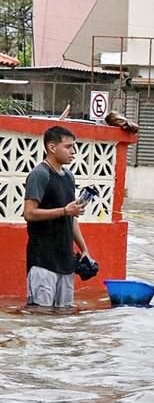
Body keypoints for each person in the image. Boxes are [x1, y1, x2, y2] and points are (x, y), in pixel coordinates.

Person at [22, 125, 91, 308]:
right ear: (52, 148)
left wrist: (84, 249)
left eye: (73, 147)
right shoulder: (39, 174)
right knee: (40, 317)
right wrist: (64, 211)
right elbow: (28, 213)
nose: (73, 152)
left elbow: (72, 217)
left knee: (63, 320)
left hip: (66, 262)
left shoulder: (69, 176)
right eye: (68, 147)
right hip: (42, 261)